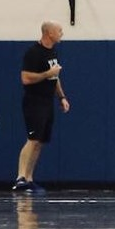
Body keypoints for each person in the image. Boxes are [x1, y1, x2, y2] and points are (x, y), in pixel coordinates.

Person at [15, 21, 70, 194]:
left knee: (40, 141)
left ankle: (29, 179)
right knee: (32, 139)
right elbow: (25, 78)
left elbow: (55, 78)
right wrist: (47, 74)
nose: (62, 33)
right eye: (58, 30)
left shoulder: (52, 52)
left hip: (47, 101)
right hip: (34, 101)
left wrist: (61, 97)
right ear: (49, 33)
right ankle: (20, 178)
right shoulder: (33, 53)